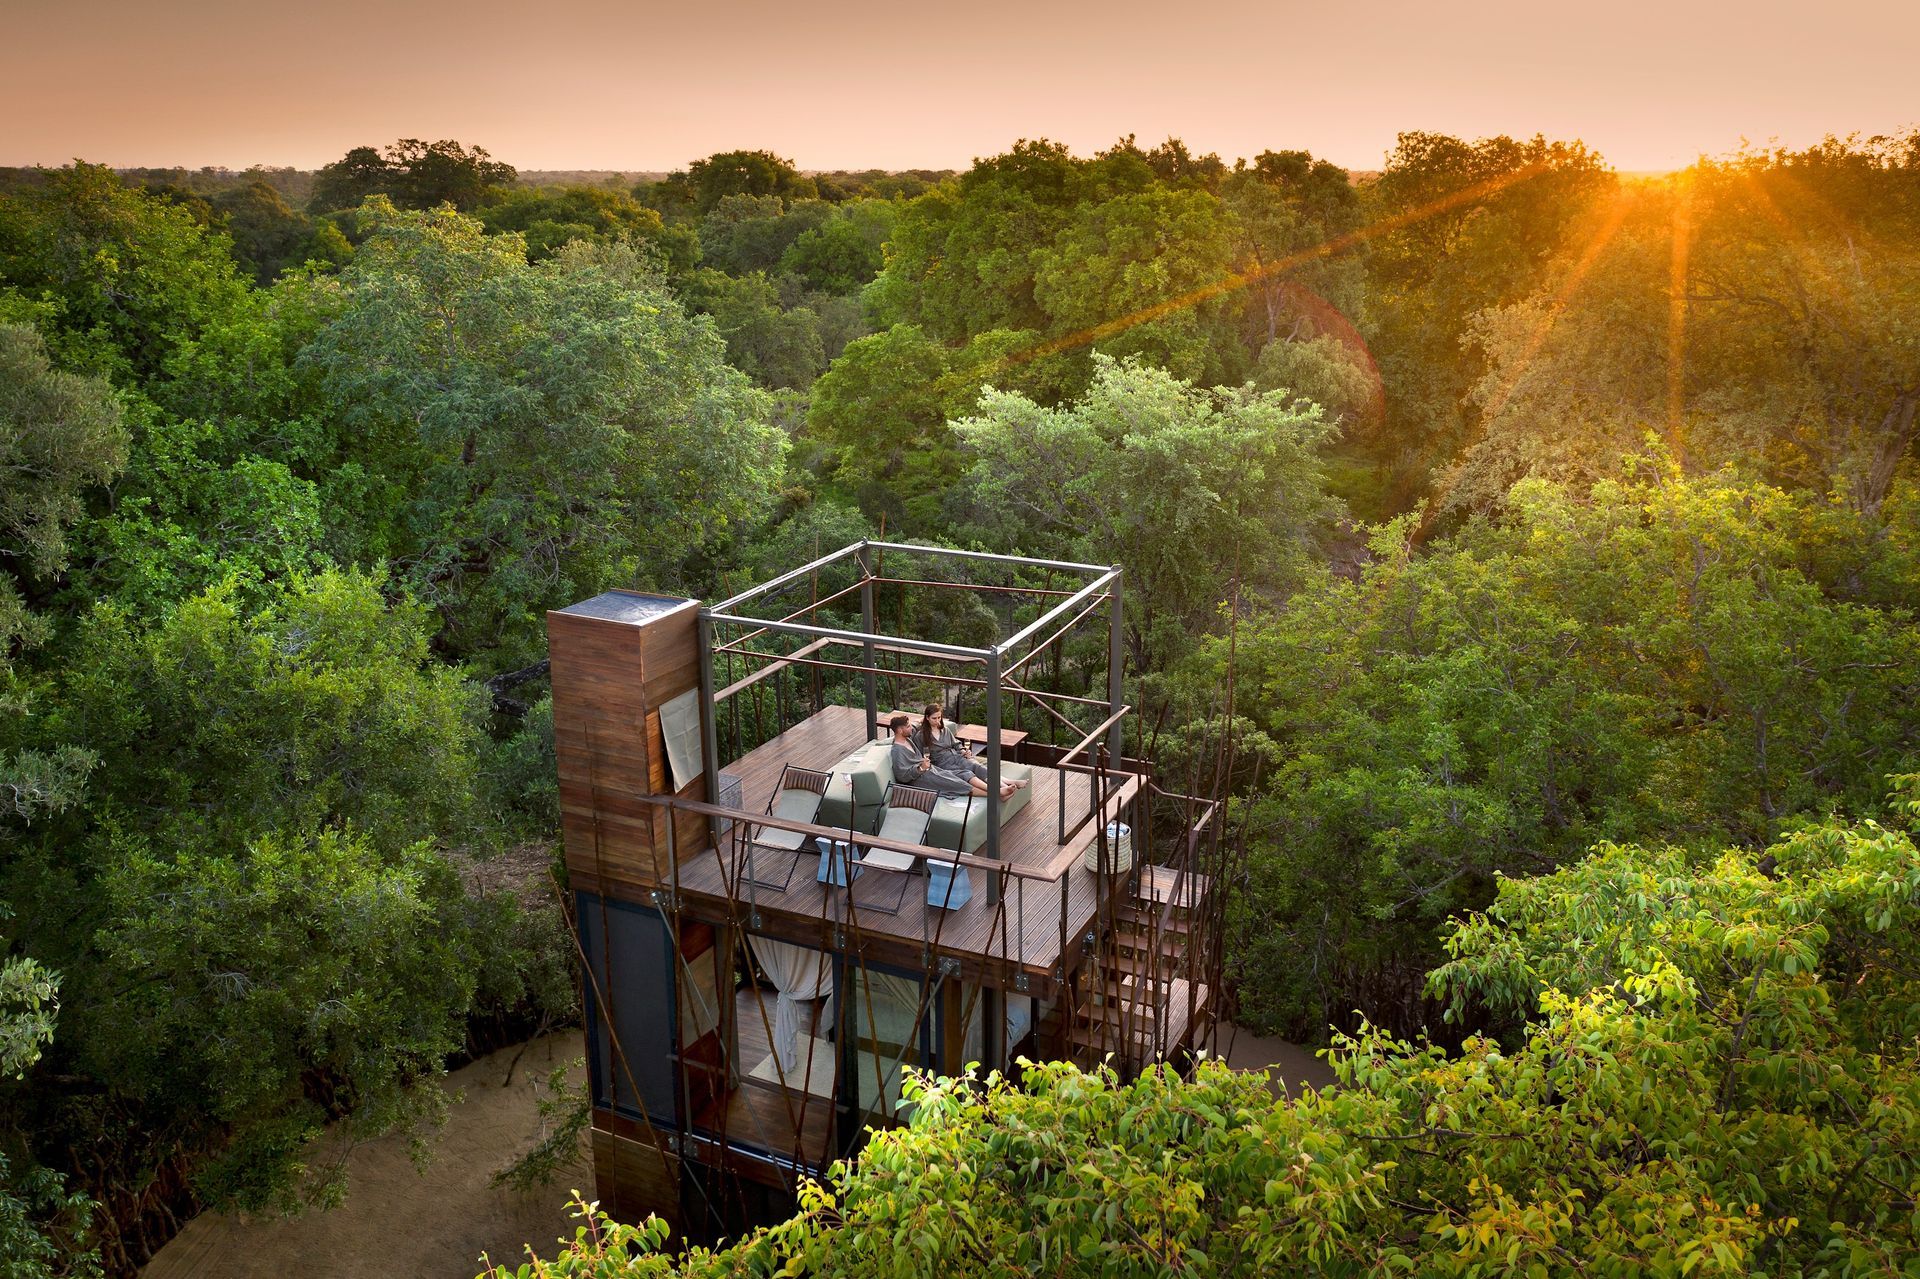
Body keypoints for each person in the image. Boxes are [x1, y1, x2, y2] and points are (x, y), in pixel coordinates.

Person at [887, 713, 1016, 801]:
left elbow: (917, 725)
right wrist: (920, 768)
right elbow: (901, 776)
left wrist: (921, 720)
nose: (911, 729)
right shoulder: (897, 751)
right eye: (908, 727)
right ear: (899, 730)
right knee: (956, 783)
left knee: (964, 774)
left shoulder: (907, 739)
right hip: (921, 779)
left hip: (931, 769)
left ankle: (996, 789)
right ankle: (996, 794)